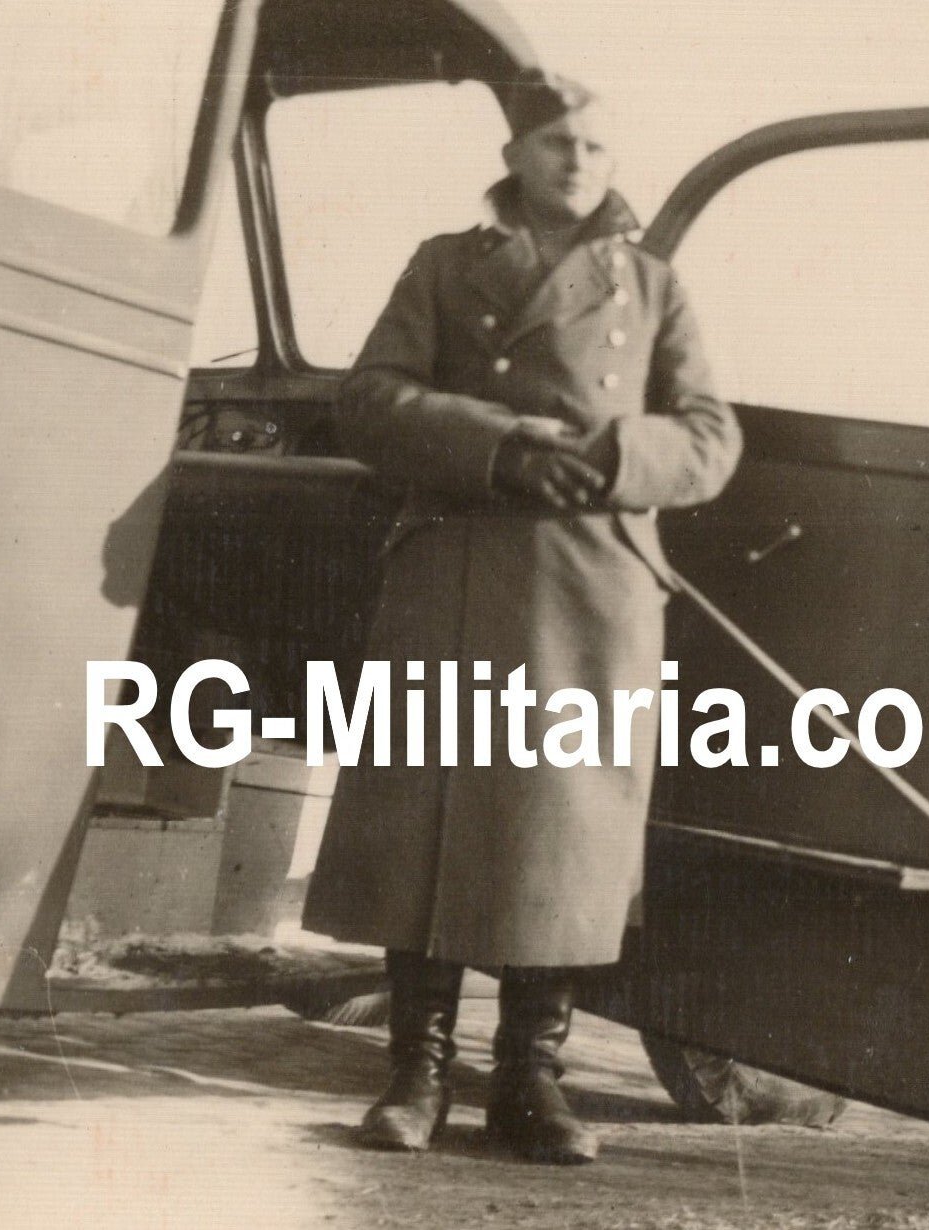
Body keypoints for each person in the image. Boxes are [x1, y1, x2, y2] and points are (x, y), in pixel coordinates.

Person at [302, 70, 742, 1164]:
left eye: (593, 145)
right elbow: (369, 400)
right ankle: (417, 1073)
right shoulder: (444, 264)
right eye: (554, 142)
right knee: (429, 820)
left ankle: (530, 1082)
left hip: (592, 579)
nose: (576, 161)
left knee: (565, 833)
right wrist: (497, 445)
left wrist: (614, 456)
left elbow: (711, 437)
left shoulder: (651, 285)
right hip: (457, 560)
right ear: (514, 155)